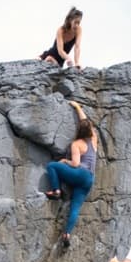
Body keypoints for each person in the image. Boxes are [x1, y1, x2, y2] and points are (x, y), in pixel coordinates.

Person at [44, 101, 97, 247]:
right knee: (75, 207)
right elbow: (86, 122)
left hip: (80, 174)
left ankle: (56, 190)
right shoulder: (94, 139)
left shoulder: (77, 144)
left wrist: (64, 161)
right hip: (89, 179)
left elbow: (75, 163)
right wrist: (78, 107)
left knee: (52, 166)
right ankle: (67, 233)